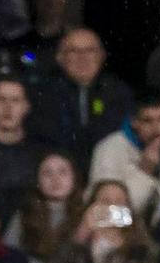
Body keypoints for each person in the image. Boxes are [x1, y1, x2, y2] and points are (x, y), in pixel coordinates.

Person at [89, 92, 160, 222]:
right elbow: (105, 216)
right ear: (134, 122)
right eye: (148, 121)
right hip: (125, 232)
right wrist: (145, 173)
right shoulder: (110, 148)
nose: (157, 129)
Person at [33, 27, 132, 166]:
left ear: (102, 56)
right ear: (60, 58)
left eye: (90, 50)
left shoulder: (118, 93)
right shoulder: (43, 95)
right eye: (74, 51)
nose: (82, 57)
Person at [5, 151, 85, 263]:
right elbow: (8, 257)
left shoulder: (85, 215)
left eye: (62, 172)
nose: (55, 179)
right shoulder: (25, 214)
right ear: (37, 180)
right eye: (47, 173)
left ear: (74, 178)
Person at [0, 77, 43, 215]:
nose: (8, 107)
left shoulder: (40, 152)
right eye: (1, 99)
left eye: (15, 100)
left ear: (26, 107)